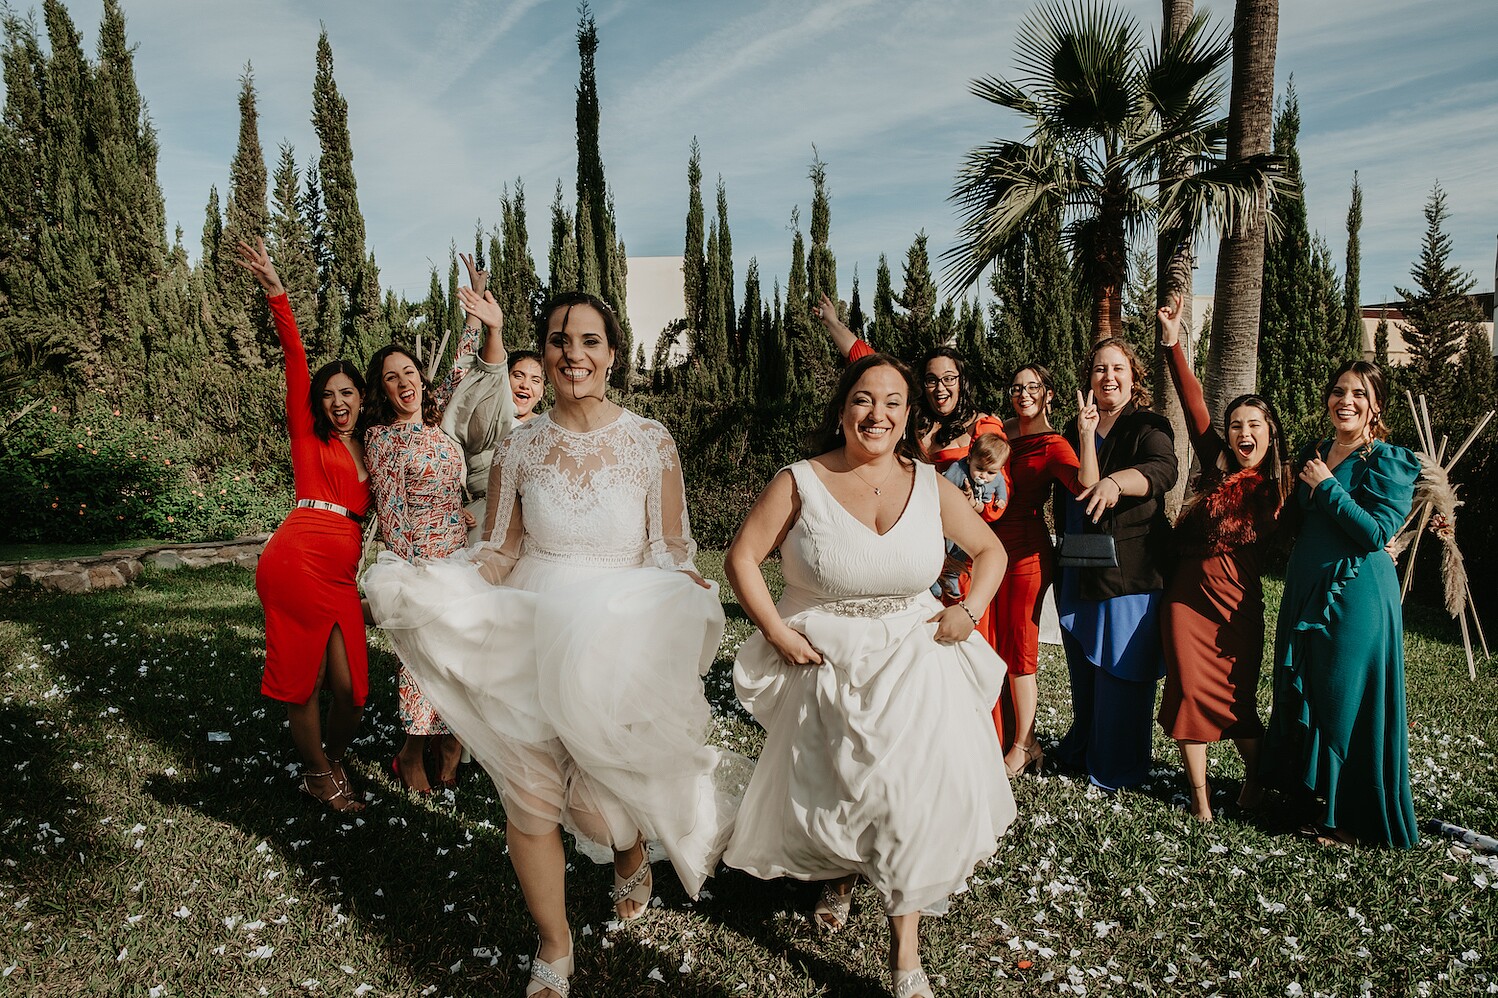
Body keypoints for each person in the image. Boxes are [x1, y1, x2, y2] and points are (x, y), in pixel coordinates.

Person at [364, 291, 741, 998]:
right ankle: (554, 944)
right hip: (532, 627)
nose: (574, 354)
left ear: (613, 354)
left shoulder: (650, 441)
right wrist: (449, 583)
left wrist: (684, 584)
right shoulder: (519, 443)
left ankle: (629, 853)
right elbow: (501, 547)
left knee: (599, 810)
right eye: (560, 340)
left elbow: (669, 547)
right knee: (531, 798)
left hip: (617, 631)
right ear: (544, 349)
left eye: (590, 340)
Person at [724, 353, 1016, 998]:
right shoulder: (799, 481)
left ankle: (905, 957)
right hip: (828, 661)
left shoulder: (931, 484)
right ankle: (841, 873)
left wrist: (969, 610)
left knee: (907, 796)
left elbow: (991, 549)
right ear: (842, 409)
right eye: (863, 399)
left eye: (892, 402)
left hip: (916, 658)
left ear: (909, 416)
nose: (877, 414)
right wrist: (777, 632)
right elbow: (742, 557)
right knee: (842, 792)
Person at [236, 237, 370, 814]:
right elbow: (295, 358)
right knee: (303, 680)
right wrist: (277, 293)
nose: (338, 401)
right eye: (329, 394)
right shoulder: (309, 438)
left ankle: (331, 757)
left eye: (347, 392)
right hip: (296, 558)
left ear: (362, 398)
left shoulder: (377, 446)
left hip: (340, 574)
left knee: (353, 691)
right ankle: (317, 774)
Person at [364, 267, 511, 794]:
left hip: (458, 556)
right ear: (382, 390)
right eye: (392, 378)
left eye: (410, 373)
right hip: (418, 562)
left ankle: (450, 744)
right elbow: (390, 506)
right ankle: (410, 753)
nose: (405, 383)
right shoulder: (382, 438)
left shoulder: (439, 421)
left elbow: (462, 364)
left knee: (461, 656)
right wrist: (414, 567)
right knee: (421, 660)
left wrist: (477, 310)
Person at [1262, 360, 1420, 848]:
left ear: (1377, 406)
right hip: (1305, 587)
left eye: (1358, 394)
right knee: (1308, 687)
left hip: (1355, 593)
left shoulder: (1389, 460)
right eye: (1338, 391)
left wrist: (1327, 486)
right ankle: (1310, 800)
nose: (1345, 401)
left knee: (1342, 696)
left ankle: (1350, 817)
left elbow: (1376, 532)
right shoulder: (1314, 452)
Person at [1155, 295, 1288, 820]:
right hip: (1185, 602)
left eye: (1254, 424)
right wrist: (1173, 342)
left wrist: (1387, 539)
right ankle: (1200, 798)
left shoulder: (1285, 486)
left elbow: (1334, 519)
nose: (1244, 433)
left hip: (1237, 611)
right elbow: (1194, 408)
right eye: (1235, 424)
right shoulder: (1215, 464)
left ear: (1270, 432)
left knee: (1238, 703)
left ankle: (1256, 777)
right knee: (1188, 692)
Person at [1054, 338, 1178, 791]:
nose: (1108, 376)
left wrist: (1118, 482)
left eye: (1117, 368)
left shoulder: (1148, 424)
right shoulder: (1075, 426)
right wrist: (1086, 435)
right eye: (1099, 369)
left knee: (1122, 669)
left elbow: (1164, 470)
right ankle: (1085, 746)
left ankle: (1117, 766)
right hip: (1079, 563)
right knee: (1084, 666)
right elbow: (1076, 483)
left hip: (1131, 569)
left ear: (1133, 376)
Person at [992, 363, 1085, 778]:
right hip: (988, 551)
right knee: (993, 644)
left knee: (1019, 648)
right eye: (1016, 387)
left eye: (1033, 387)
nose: (1023, 394)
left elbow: (1083, 485)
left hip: (1026, 555)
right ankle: (1001, 731)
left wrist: (1085, 435)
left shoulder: (1053, 444)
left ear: (1049, 394)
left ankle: (1025, 744)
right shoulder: (999, 431)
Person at [441, 253, 521, 545]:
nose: (525, 385)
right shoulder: (485, 414)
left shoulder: (545, 426)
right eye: (518, 376)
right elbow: (467, 368)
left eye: (536, 379)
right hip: (481, 514)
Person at [933, 432, 1010, 599]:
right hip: (950, 518)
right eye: (979, 469)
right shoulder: (958, 470)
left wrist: (1001, 499)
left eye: (991, 472)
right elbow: (944, 488)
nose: (984, 476)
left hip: (971, 521)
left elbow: (1001, 486)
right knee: (943, 547)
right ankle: (933, 578)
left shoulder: (996, 476)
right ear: (969, 459)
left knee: (961, 551)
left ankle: (951, 577)